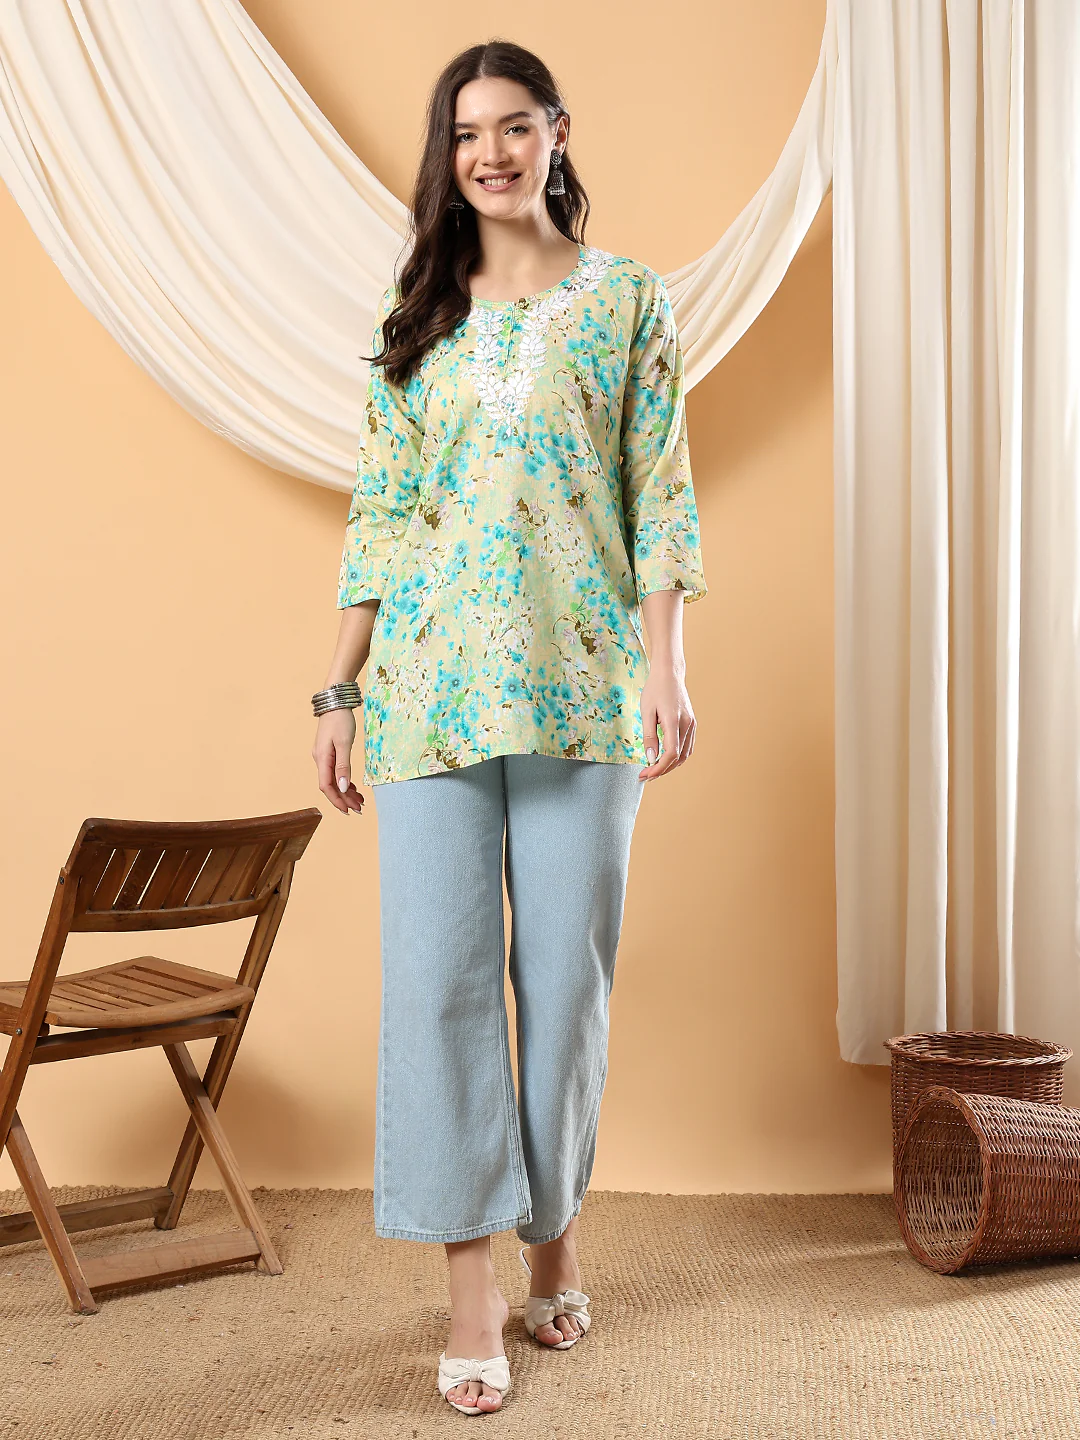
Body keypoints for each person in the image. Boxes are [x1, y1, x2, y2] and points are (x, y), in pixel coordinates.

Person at [311, 38, 707, 1417]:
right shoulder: (418, 314)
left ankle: (556, 1241)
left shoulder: (628, 301)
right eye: (468, 132)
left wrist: (667, 669)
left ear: (557, 132)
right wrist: (339, 690)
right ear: (450, 150)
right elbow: (379, 512)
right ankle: (473, 1292)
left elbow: (660, 491)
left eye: (515, 125)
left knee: (566, 989)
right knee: (440, 987)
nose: (491, 151)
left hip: (584, 690)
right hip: (428, 693)